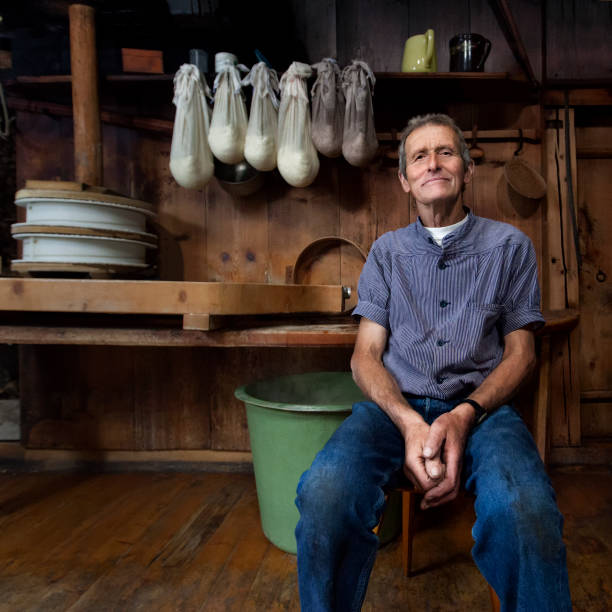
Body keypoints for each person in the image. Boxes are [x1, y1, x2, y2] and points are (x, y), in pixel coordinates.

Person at [294, 113, 572, 611]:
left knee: (524, 510)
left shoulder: (511, 247)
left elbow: (522, 353)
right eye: (419, 156)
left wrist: (463, 415)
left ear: (466, 171)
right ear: (404, 180)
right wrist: (407, 423)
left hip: (482, 412)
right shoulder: (385, 254)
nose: (432, 163)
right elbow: (365, 356)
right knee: (325, 494)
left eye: (445, 152)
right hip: (392, 412)